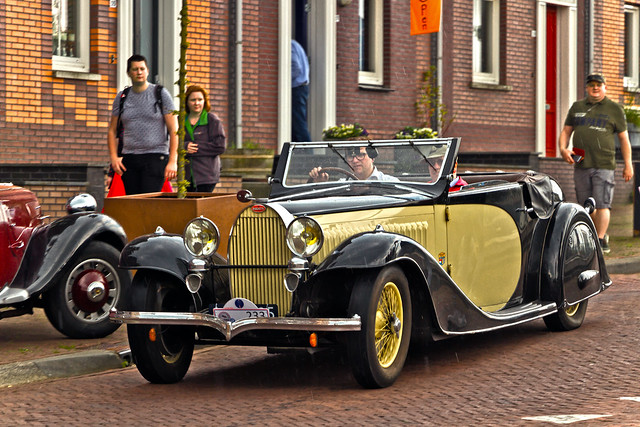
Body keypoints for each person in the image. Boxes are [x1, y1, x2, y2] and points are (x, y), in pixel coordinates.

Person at [558, 73, 633, 253]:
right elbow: (566, 132)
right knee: (586, 205)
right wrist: (563, 149)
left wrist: (628, 164)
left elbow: (624, 139)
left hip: (604, 164)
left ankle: (600, 241)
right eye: (591, 85)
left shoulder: (614, 109)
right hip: (581, 162)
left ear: (605, 87)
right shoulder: (577, 107)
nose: (595, 88)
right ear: (587, 88)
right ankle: (596, 233)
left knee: (602, 204)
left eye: (599, 85)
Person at [107, 54, 178, 195]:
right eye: (135, 69)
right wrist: (114, 158)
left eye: (142, 69)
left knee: (148, 202)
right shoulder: (122, 97)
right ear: (128, 73)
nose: (139, 72)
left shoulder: (160, 93)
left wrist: (172, 160)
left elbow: (173, 129)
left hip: (156, 157)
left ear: (147, 71)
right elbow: (112, 131)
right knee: (133, 203)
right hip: (130, 159)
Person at [184, 85, 227, 192]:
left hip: (207, 176)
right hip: (186, 175)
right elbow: (171, 143)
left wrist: (194, 148)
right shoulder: (180, 121)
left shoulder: (212, 120)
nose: (197, 103)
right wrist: (184, 147)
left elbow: (220, 146)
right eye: (193, 100)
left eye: (200, 99)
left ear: (205, 101)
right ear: (187, 102)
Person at [309, 146, 398, 182]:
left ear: (372, 157)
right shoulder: (341, 185)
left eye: (360, 155)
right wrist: (319, 184)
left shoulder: (390, 183)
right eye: (350, 156)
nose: (355, 160)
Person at [291, 39, 311, 142]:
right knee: (299, 120)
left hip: (296, 87)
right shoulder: (296, 45)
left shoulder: (289, 45)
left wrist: (284, 81)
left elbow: (296, 68)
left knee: (299, 122)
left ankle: (307, 152)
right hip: (302, 87)